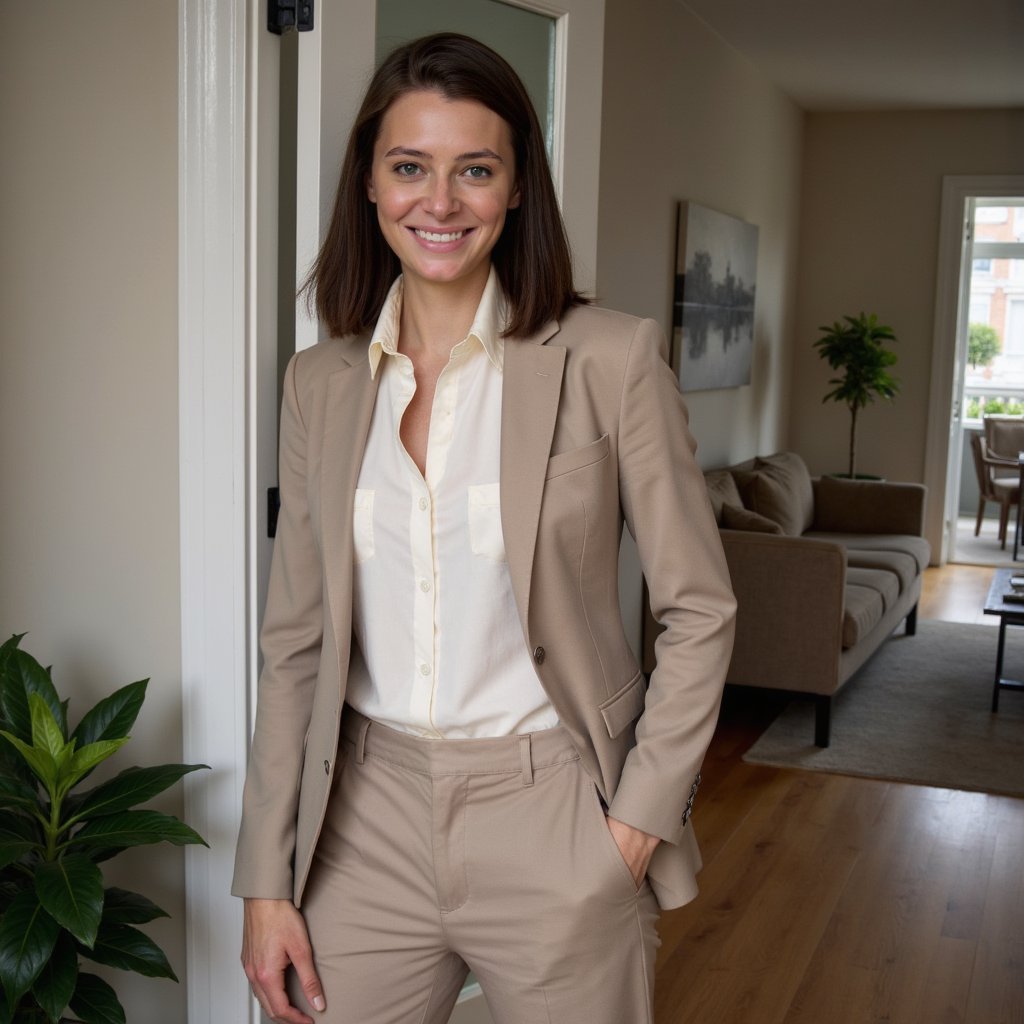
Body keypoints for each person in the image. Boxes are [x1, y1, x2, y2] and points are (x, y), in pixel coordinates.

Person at [233, 32, 735, 1024]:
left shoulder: (610, 360)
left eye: (474, 169)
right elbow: (294, 644)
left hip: (552, 811)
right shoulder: (319, 383)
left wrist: (634, 826)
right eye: (409, 167)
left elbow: (700, 609)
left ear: (515, 188)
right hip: (360, 820)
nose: (440, 201)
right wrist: (265, 879)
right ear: (369, 183)